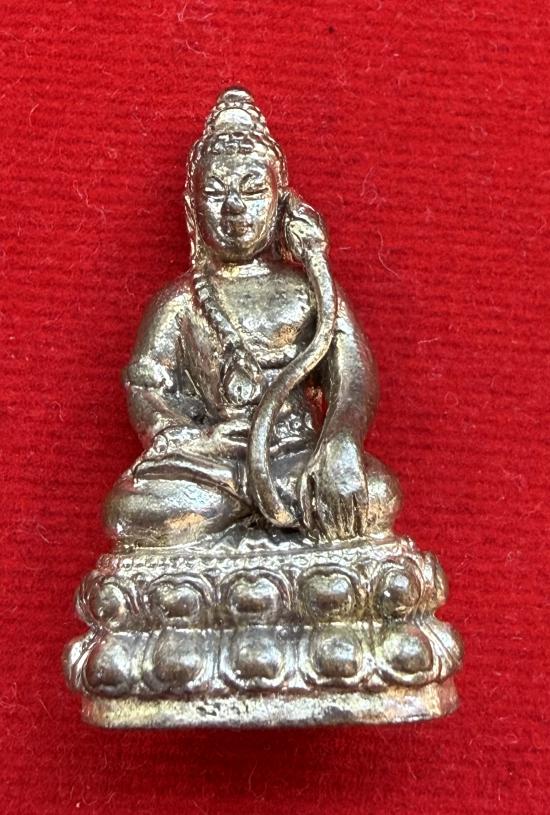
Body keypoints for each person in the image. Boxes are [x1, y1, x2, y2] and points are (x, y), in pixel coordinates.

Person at [104, 87, 401, 547]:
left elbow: (353, 375)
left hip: (294, 455)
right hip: (210, 465)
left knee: (374, 490)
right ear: (192, 208)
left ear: (281, 202)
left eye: (253, 190)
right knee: (133, 508)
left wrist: (340, 442)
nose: (234, 208)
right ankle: (259, 517)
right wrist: (188, 436)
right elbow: (147, 387)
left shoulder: (311, 289)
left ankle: (258, 515)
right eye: (215, 193)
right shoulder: (178, 302)